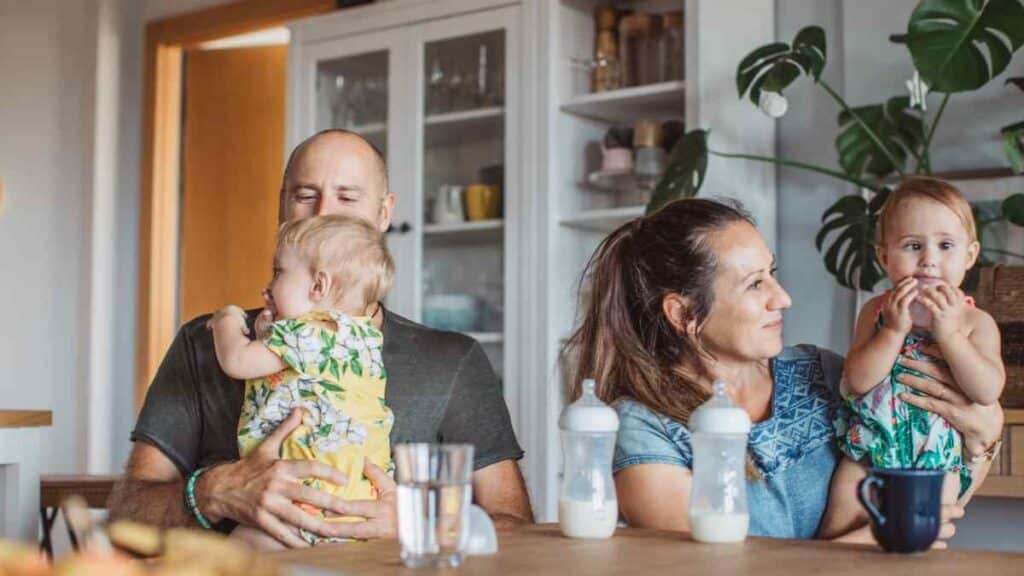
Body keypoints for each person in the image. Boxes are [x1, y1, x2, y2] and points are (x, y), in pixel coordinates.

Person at [110, 130, 533, 548]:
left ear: (385, 213)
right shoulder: (203, 343)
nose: (323, 214)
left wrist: (419, 524)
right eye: (305, 195)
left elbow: (516, 527)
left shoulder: (452, 360)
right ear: (282, 207)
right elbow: (128, 514)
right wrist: (214, 492)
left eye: (347, 198)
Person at [562, 197, 1003, 543]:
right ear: (683, 313)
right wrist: (865, 545)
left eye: (772, 272)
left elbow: (930, 500)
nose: (783, 298)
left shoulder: (822, 372)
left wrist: (982, 443)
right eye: (756, 284)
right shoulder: (643, 429)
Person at [819, 178, 1004, 539]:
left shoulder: (975, 322)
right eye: (913, 245)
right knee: (836, 534)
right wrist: (892, 331)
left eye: (946, 245)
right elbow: (856, 381)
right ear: (884, 256)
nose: (929, 260)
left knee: (920, 540)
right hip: (868, 451)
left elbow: (987, 390)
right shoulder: (877, 312)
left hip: (937, 460)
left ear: (970, 255)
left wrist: (950, 335)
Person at [210, 214, 395, 548]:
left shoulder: (303, 332)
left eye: (279, 272)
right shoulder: (362, 337)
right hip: (356, 505)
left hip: (299, 505)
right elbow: (304, 378)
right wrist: (267, 334)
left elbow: (236, 361)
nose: (266, 287)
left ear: (318, 286)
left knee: (230, 557)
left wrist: (226, 320)